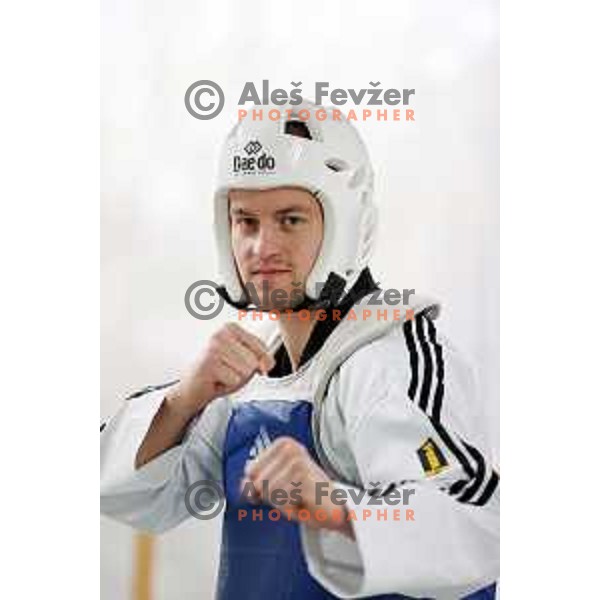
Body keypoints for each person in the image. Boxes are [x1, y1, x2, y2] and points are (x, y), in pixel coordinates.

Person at [100, 101, 499, 599]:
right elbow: (133, 495)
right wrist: (185, 398)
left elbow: (477, 524)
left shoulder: (389, 358)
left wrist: (332, 505)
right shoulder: (248, 377)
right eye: (246, 221)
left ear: (345, 226)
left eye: (290, 220)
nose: (261, 247)